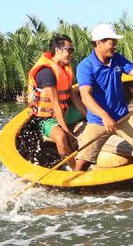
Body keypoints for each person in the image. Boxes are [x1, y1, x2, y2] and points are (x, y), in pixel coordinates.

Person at [74, 23, 133, 171]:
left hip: (123, 117)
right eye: (112, 42)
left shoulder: (117, 59)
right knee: (82, 163)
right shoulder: (86, 66)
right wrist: (104, 115)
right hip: (98, 121)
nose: (115, 45)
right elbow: (85, 96)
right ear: (99, 43)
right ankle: (74, 190)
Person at [27, 34, 86, 169]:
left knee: (93, 107)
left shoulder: (65, 69)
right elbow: (55, 105)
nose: (72, 54)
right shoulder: (46, 73)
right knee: (61, 138)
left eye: (72, 50)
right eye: (69, 50)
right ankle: (75, 170)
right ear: (58, 50)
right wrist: (67, 132)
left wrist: (90, 116)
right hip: (45, 118)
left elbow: (74, 97)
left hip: (64, 112)